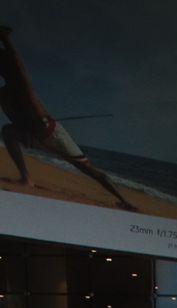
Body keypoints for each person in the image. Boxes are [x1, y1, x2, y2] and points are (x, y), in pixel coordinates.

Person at [0, 26, 135, 211]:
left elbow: (18, 65)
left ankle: (125, 201)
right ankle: (26, 178)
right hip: (33, 134)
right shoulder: (3, 94)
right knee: (7, 131)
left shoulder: (21, 85)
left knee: (88, 170)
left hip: (52, 134)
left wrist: (5, 39)